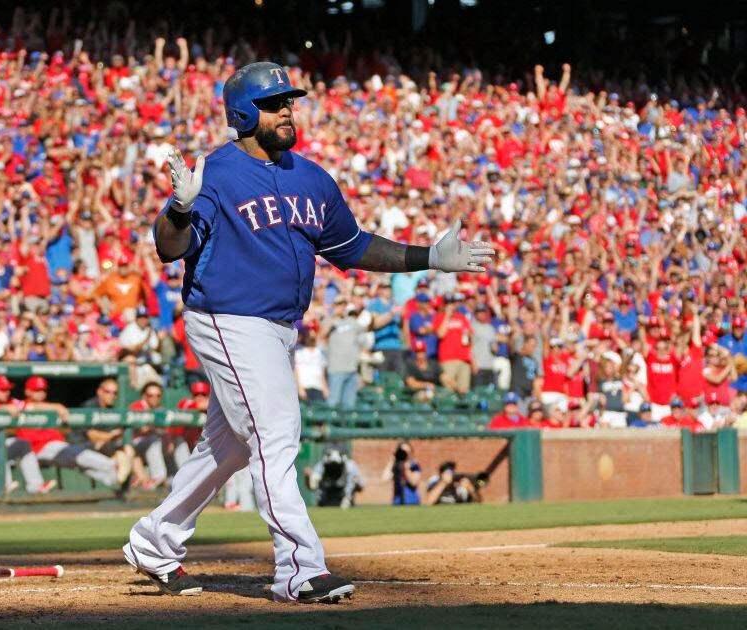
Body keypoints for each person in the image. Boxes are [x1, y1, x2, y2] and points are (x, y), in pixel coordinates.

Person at [124, 62, 492, 603]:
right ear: (244, 113)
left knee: (225, 450)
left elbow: (353, 245)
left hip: (278, 328)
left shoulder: (311, 177)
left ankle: (156, 541)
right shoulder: (216, 173)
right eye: (275, 103)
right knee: (276, 431)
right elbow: (171, 247)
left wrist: (428, 257)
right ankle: (299, 567)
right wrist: (180, 208)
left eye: (290, 101)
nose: (288, 110)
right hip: (228, 318)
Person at [15, 376, 123, 488]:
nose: (41, 393)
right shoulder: (23, 405)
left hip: (55, 446)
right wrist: (57, 406)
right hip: (38, 448)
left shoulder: (50, 407)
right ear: (27, 391)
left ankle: (113, 483)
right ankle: (110, 466)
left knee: (79, 465)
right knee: (78, 455)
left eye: (44, 390)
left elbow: (65, 430)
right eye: (37, 390)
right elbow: (30, 407)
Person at [323, 296, 366, 408]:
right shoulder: (330, 321)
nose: (342, 307)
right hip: (336, 368)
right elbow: (323, 333)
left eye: (344, 304)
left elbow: (366, 328)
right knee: (333, 402)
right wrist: (333, 315)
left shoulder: (352, 322)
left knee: (350, 405)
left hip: (351, 368)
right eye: (339, 304)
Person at [385, 441, 423, 506]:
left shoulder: (414, 466)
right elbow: (385, 478)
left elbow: (414, 482)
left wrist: (405, 468)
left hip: (412, 502)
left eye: (407, 452)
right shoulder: (395, 466)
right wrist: (392, 460)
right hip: (397, 502)